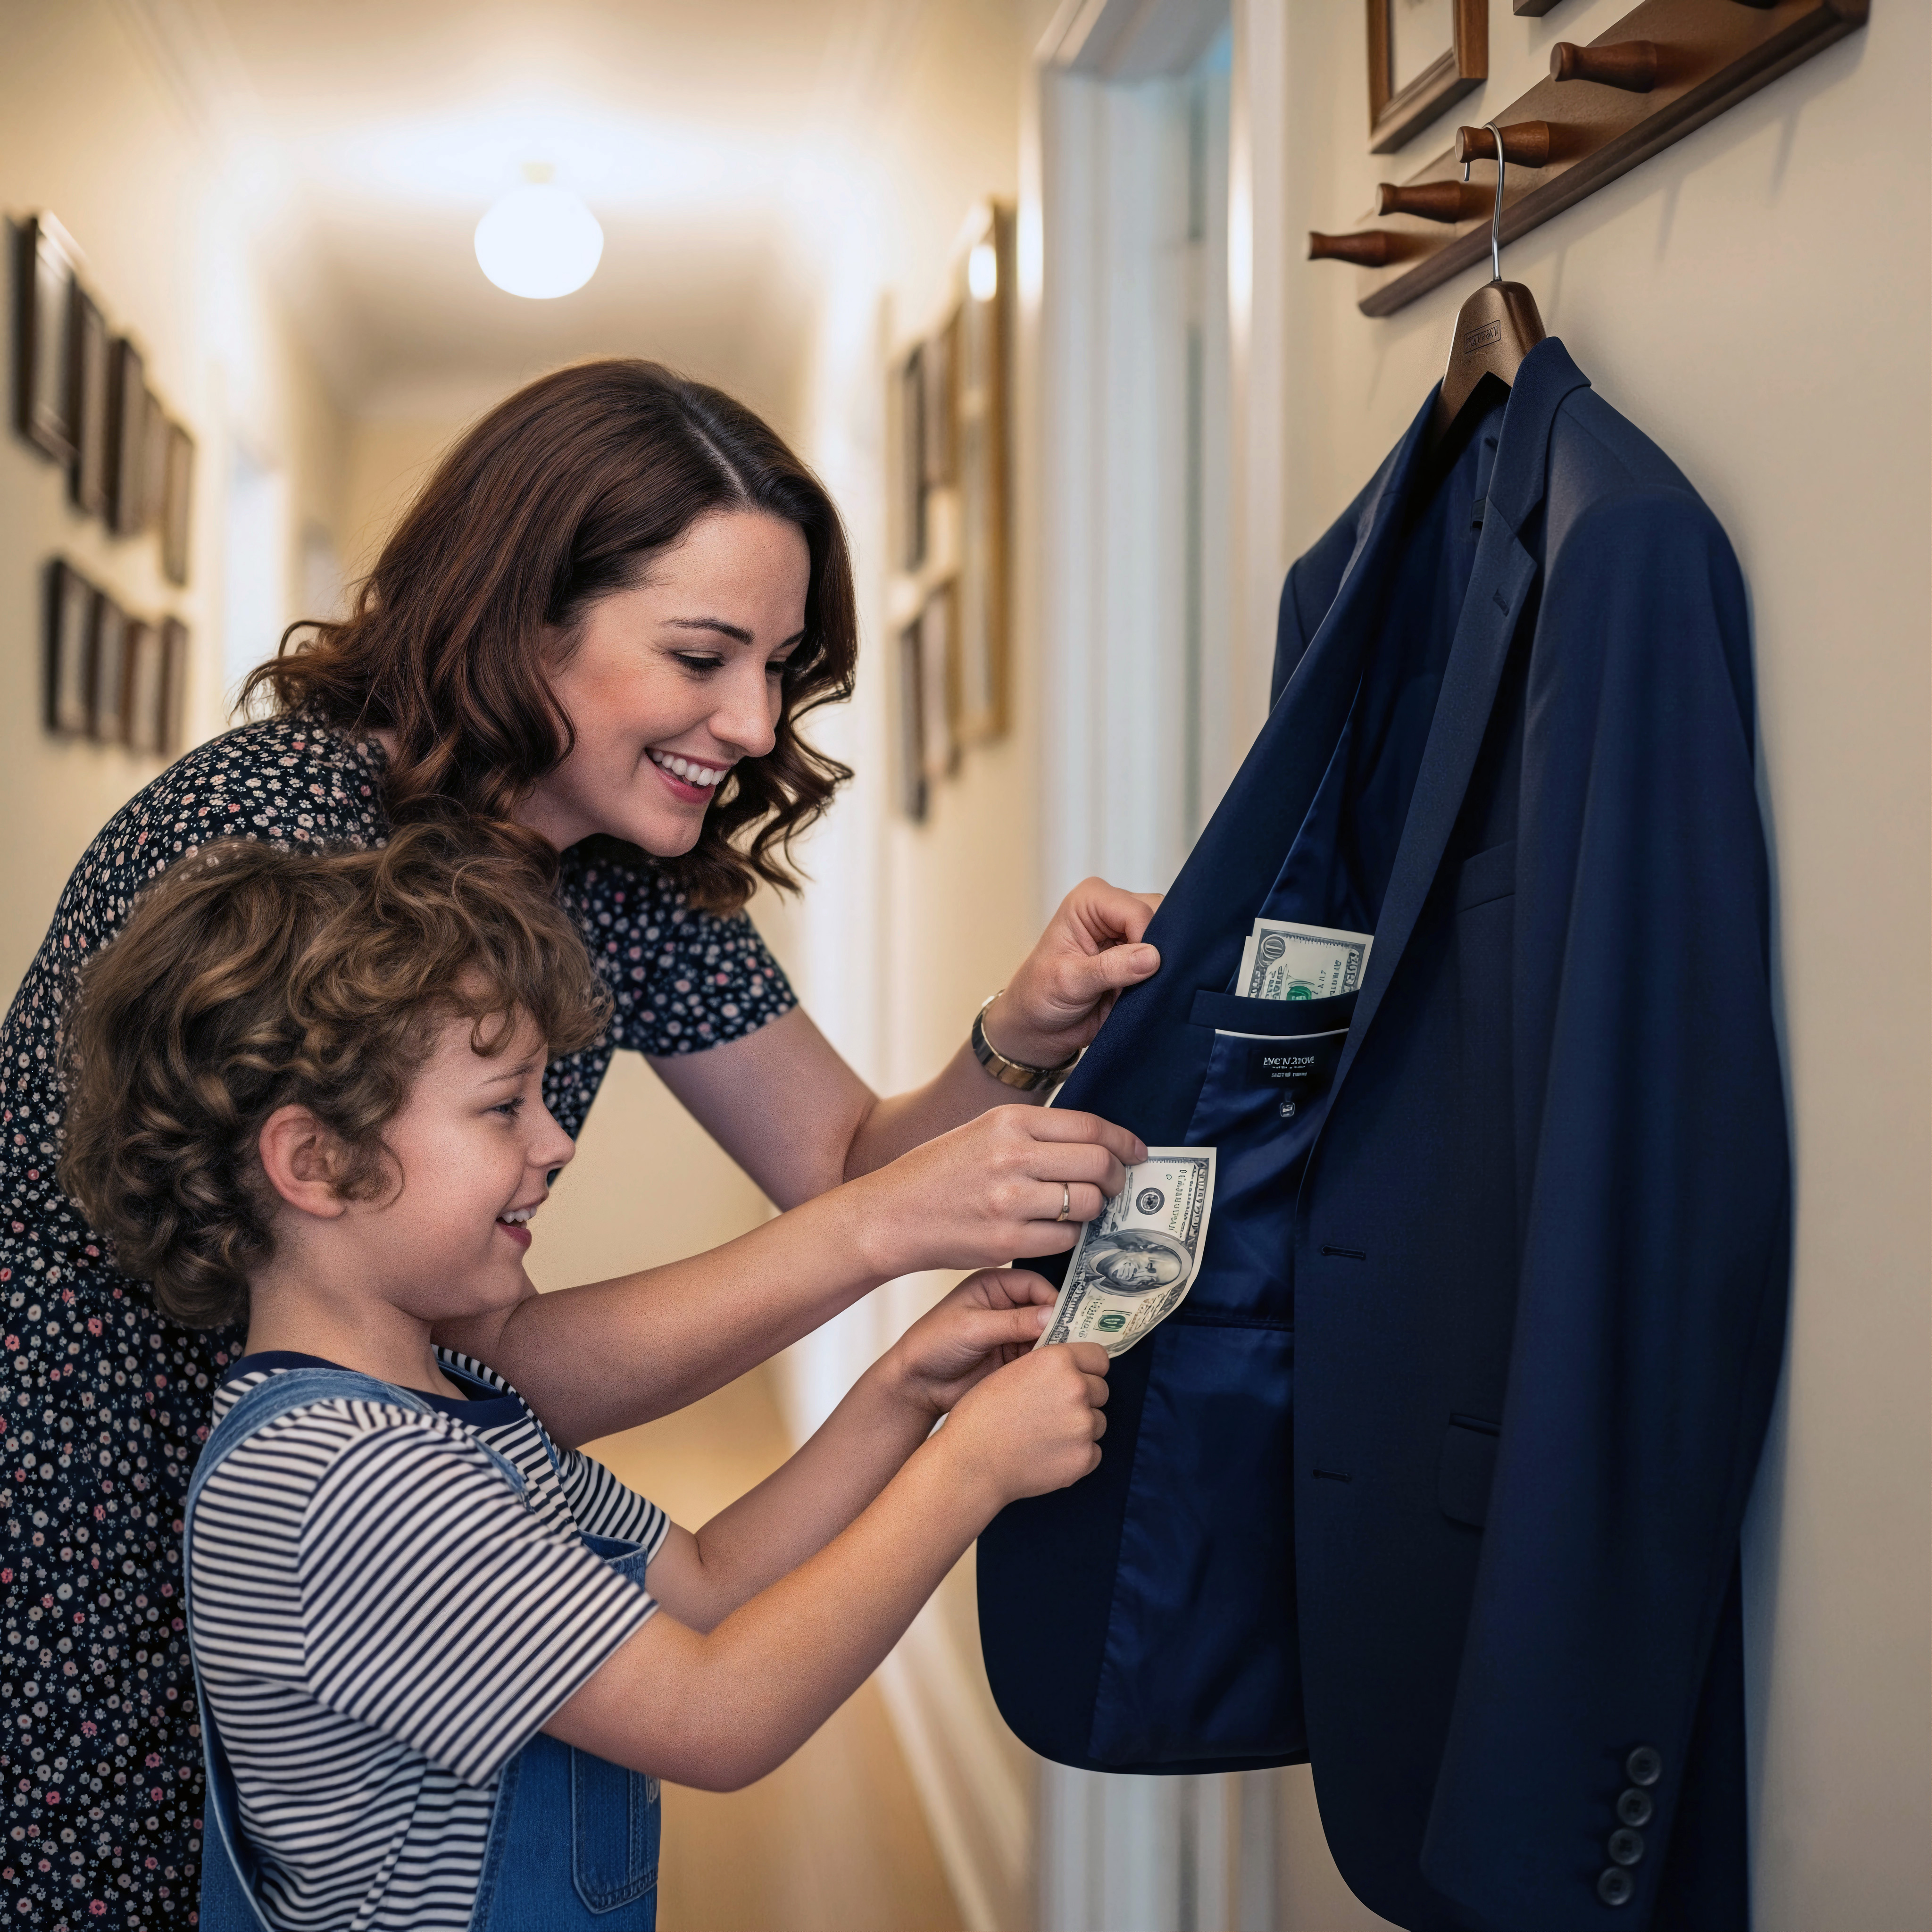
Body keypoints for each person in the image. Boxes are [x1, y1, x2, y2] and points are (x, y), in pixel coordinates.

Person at [0, 357, 1154, 1927]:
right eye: (700, 654)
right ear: (521, 613)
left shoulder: (618, 862)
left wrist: (1010, 1040)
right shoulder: (288, 848)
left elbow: (838, 1165)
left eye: (777, 665)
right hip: (94, 1566)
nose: (751, 723)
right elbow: (540, 1345)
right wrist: (899, 1284)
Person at [55, 825, 1110, 1932]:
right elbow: (716, 1713)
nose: (557, 1141)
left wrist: (905, 1395)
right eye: (503, 1105)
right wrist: (970, 1477)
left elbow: (704, 1580)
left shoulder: (446, 1404)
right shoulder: (347, 1481)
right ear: (315, 1161)